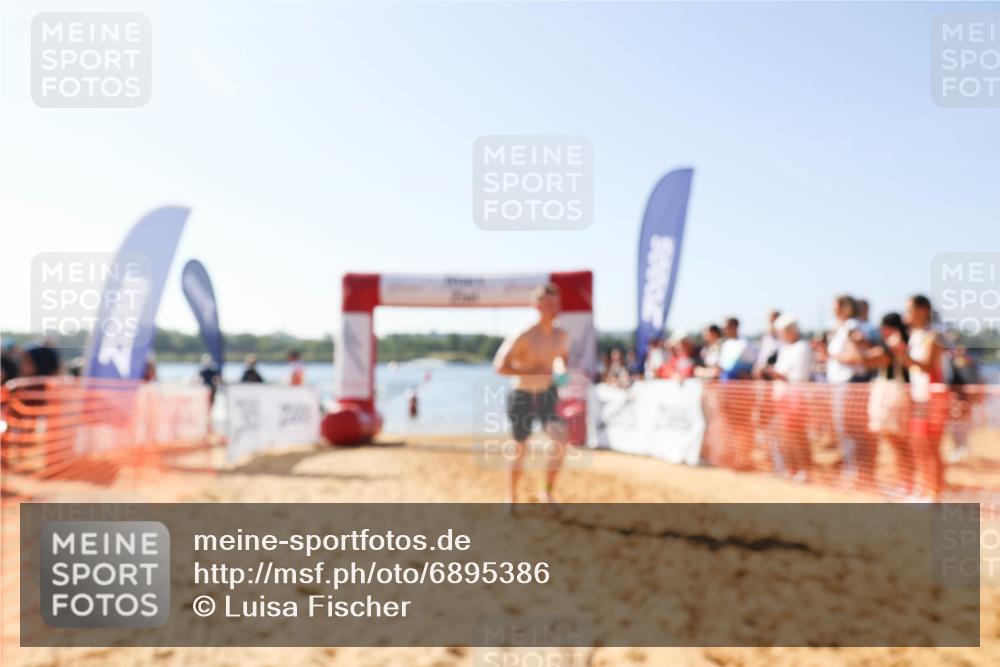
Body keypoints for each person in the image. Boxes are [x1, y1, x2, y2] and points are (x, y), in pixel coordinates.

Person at [493, 283, 570, 506]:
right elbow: (499, 366)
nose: (553, 308)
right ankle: (511, 496)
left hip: (547, 394)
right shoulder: (525, 335)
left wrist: (561, 372)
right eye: (548, 303)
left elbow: (563, 361)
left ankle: (547, 492)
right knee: (519, 448)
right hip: (522, 395)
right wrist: (531, 371)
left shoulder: (562, 336)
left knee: (561, 440)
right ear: (537, 306)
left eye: (556, 303)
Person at [895, 295, 947, 500]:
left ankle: (934, 493)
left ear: (923, 309)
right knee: (918, 444)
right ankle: (925, 489)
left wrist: (902, 353)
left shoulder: (934, 335)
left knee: (930, 446)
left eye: (910, 309)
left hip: (933, 396)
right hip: (918, 395)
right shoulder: (916, 335)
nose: (907, 313)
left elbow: (927, 365)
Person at [864, 312, 913, 496]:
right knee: (896, 443)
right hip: (895, 394)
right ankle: (905, 483)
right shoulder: (898, 341)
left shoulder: (897, 342)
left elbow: (873, 359)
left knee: (900, 443)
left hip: (896, 396)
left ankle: (908, 484)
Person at [761, 315, 812, 479]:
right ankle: (791, 467)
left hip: (796, 397)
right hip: (782, 397)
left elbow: (797, 376)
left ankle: (804, 468)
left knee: (798, 434)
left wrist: (775, 373)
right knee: (786, 435)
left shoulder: (803, 347)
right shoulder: (785, 348)